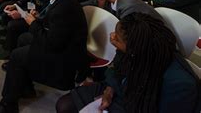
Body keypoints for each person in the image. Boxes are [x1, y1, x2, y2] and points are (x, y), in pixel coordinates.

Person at [55, 13, 200, 113]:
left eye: (117, 38)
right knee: (64, 105)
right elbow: (114, 70)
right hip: (119, 92)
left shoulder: (180, 84)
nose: (111, 37)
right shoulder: (131, 52)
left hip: (141, 107)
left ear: (135, 48)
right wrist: (110, 90)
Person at [0, 0, 88, 113]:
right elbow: (53, 26)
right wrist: (37, 19)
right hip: (61, 44)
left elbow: (52, 43)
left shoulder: (63, 8)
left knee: (17, 56)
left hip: (64, 56)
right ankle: (26, 87)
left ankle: (8, 104)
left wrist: (33, 23)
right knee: (23, 38)